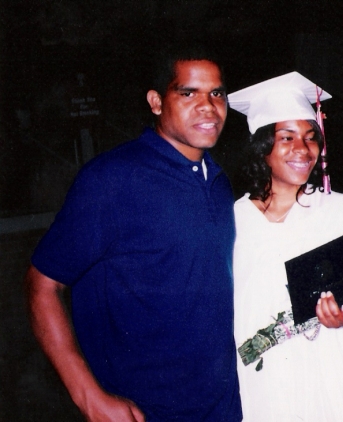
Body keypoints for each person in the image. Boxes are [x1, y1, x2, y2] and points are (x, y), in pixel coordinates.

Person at [25, 45, 242, 422]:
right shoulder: (113, 179)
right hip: (144, 409)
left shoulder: (219, 180)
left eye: (217, 93)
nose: (208, 106)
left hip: (223, 406)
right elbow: (42, 284)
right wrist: (90, 398)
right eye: (188, 93)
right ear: (156, 102)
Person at [228, 72, 343, 422]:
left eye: (310, 137)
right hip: (269, 387)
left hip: (334, 380)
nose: (302, 150)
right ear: (262, 147)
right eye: (286, 138)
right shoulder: (233, 222)